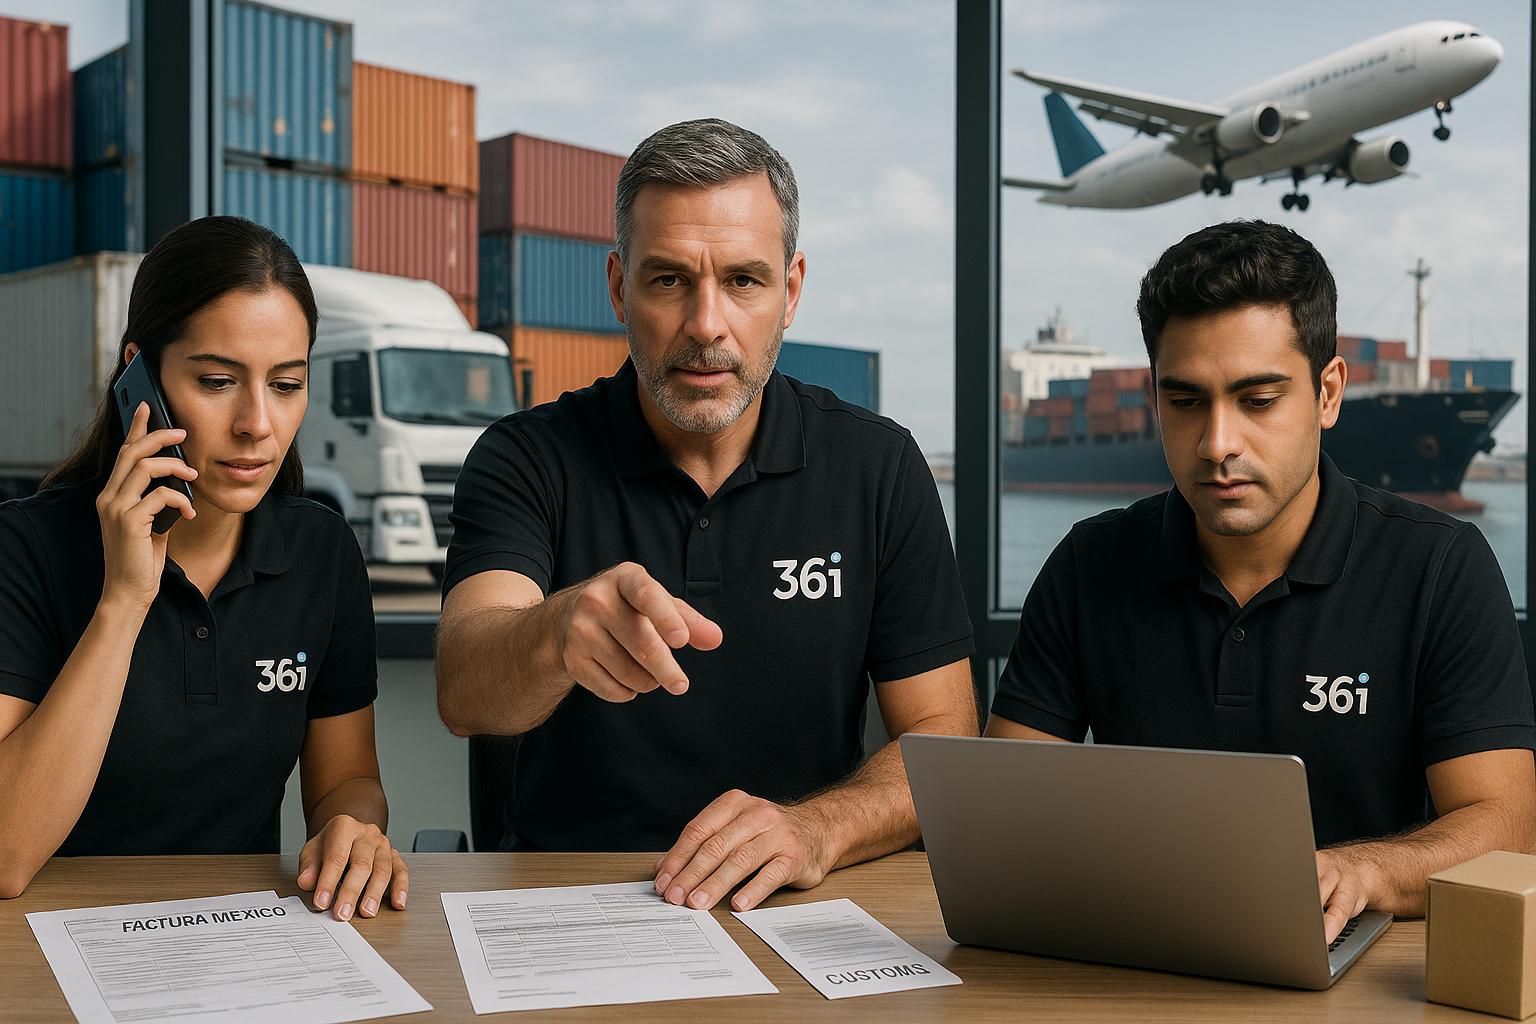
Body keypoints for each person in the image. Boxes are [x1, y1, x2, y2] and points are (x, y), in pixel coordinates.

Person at [435, 118, 977, 912]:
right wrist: (554, 634)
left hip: (795, 904)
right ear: (619, 286)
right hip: (567, 907)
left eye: (743, 281)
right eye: (667, 281)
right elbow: (464, 688)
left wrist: (817, 829)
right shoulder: (526, 456)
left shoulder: (879, 467)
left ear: (790, 292)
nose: (706, 325)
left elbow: (943, 741)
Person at [985, 220, 1536, 942]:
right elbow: (1000, 815)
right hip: (1134, 955)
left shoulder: (1440, 567)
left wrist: (1365, 873)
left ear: (1329, 393)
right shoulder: (1089, 565)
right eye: (1185, 402)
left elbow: (1509, 827)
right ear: (1154, 398)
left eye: (1258, 399)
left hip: (1355, 972)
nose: (1218, 445)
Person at [0, 216, 408, 919]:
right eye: (218, 381)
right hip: (48, 947)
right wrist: (123, 602)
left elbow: (346, 780)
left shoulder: (322, 554)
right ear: (140, 373)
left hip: (235, 942)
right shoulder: (27, 549)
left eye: (286, 384)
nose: (258, 422)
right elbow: (5, 855)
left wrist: (354, 830)